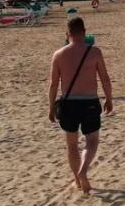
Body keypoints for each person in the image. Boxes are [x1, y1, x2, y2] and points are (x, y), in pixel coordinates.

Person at [48, 16, 113, 194]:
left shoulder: (59, 54)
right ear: (84, 33)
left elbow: (53, 84)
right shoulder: (94, 52)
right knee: (92, 141)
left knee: (71, 144)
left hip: (68, 104)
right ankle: (84, 169)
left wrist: (51, 107)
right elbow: (105, 78)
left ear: (67, 34)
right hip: (90, 102)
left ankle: (77, 179)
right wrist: (109, 98)